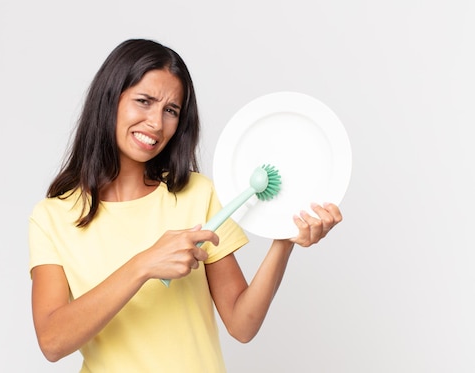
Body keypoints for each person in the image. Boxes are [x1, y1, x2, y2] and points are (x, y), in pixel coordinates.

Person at [28, 39, 343, 372]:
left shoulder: (198, 194)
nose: (156, 123)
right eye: (143, 101)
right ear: (110, 100)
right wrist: (144, 264)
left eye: (171, 110)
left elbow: (242, 324)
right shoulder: (52, 217)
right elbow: (52, 341)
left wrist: (283, 240)